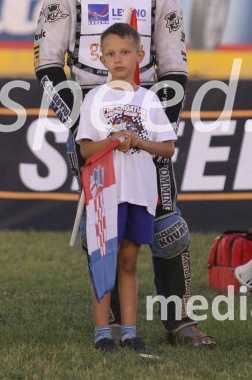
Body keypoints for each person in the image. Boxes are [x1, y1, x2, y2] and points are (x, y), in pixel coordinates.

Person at [33, 0, 214, 348]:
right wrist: (83, 123)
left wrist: (155, 127)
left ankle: (180, 322)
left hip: (146, 125)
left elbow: (174, 68)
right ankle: (111, 324)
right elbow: (47, 64)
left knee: (168, 226)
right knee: (103, 226)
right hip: (94, 127)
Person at [76, 23, 176, 356]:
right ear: (101, 58)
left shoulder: (148, 99)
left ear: (139, 55)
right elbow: (86, 151)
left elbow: (168, 149)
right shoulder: (94, 98)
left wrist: (139, 141)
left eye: (125, 52)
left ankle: (130, 333)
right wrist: (113, 140)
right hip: (107, 192)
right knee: (104, 259)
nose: (119, 59)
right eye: (111, 53)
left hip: (139, 191)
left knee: (130, 261)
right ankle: (103, 333)